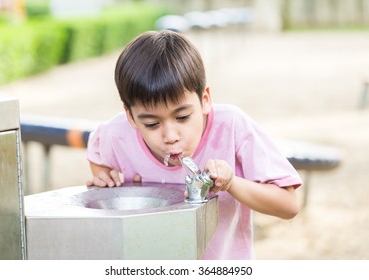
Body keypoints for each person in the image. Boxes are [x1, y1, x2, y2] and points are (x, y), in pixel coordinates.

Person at [86, 30, 302, 259]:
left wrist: (232, 183)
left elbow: (288, 205)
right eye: (151, 123)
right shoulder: (116, 134)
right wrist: (105, 181)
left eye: (182, 118)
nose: (170, 136)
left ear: (205, 100)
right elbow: (98, 158)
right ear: (130, 116)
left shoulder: (232, 127)